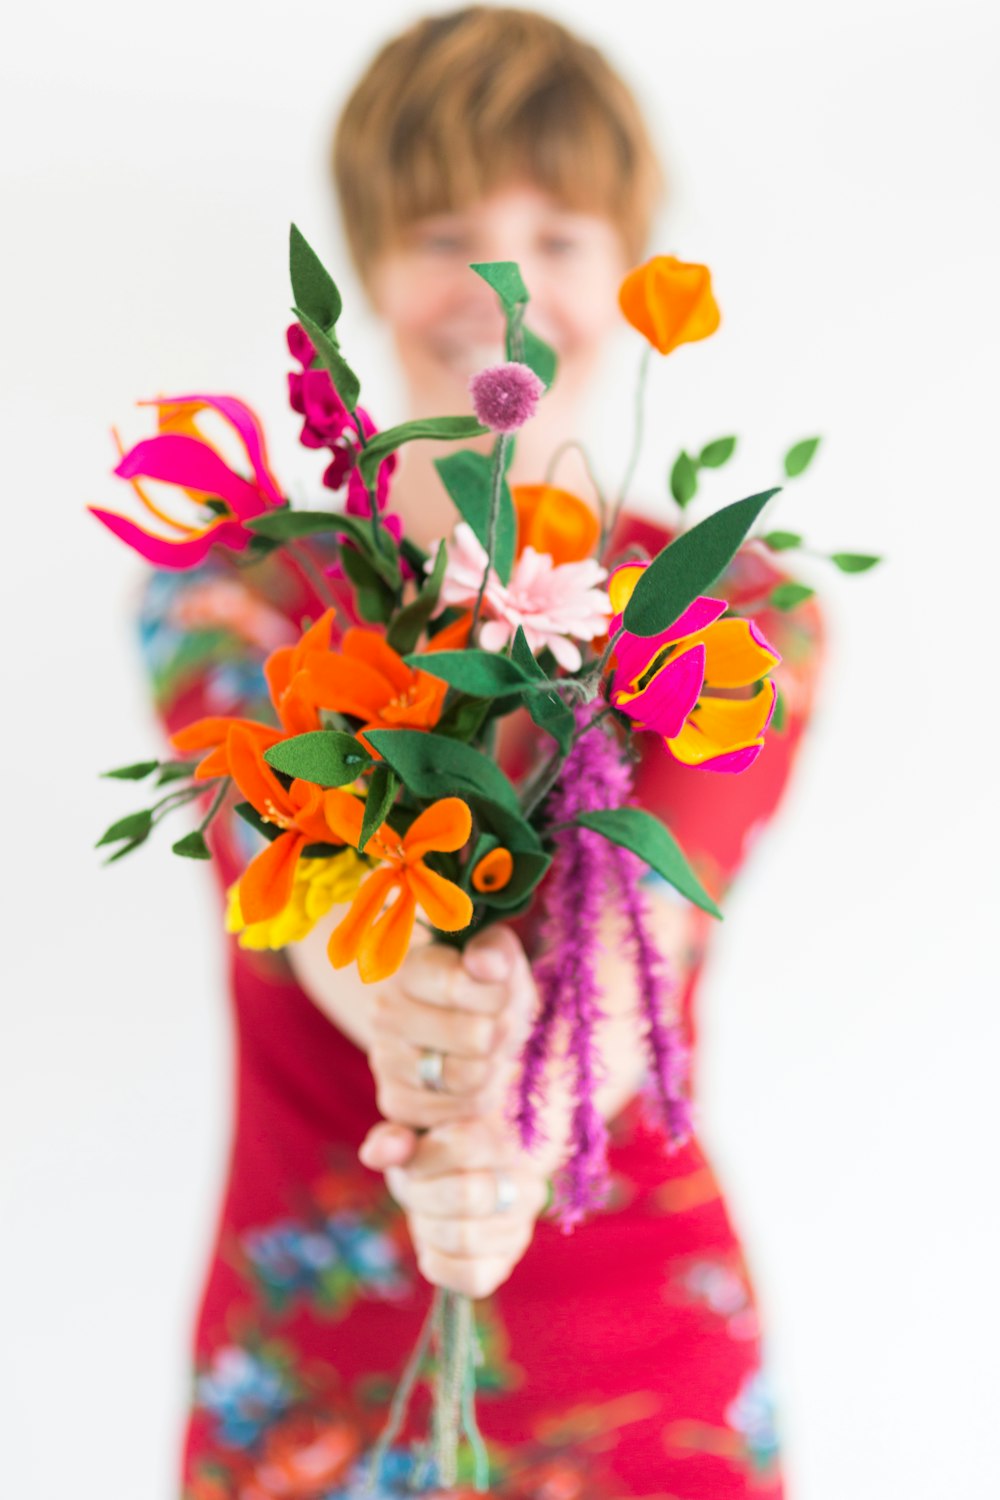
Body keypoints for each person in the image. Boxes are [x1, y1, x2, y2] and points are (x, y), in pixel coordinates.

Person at [140, 9, 823, 1497]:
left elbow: (647, 916)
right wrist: (410, 1016)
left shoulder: (741, 614)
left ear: (632, 271)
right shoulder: (235, 594)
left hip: (638, 1358)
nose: (501, 289)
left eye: (561, 237)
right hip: (315, 1362)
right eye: (446, 229)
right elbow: (295, 875)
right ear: (371, 263)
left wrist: (511, 1151)